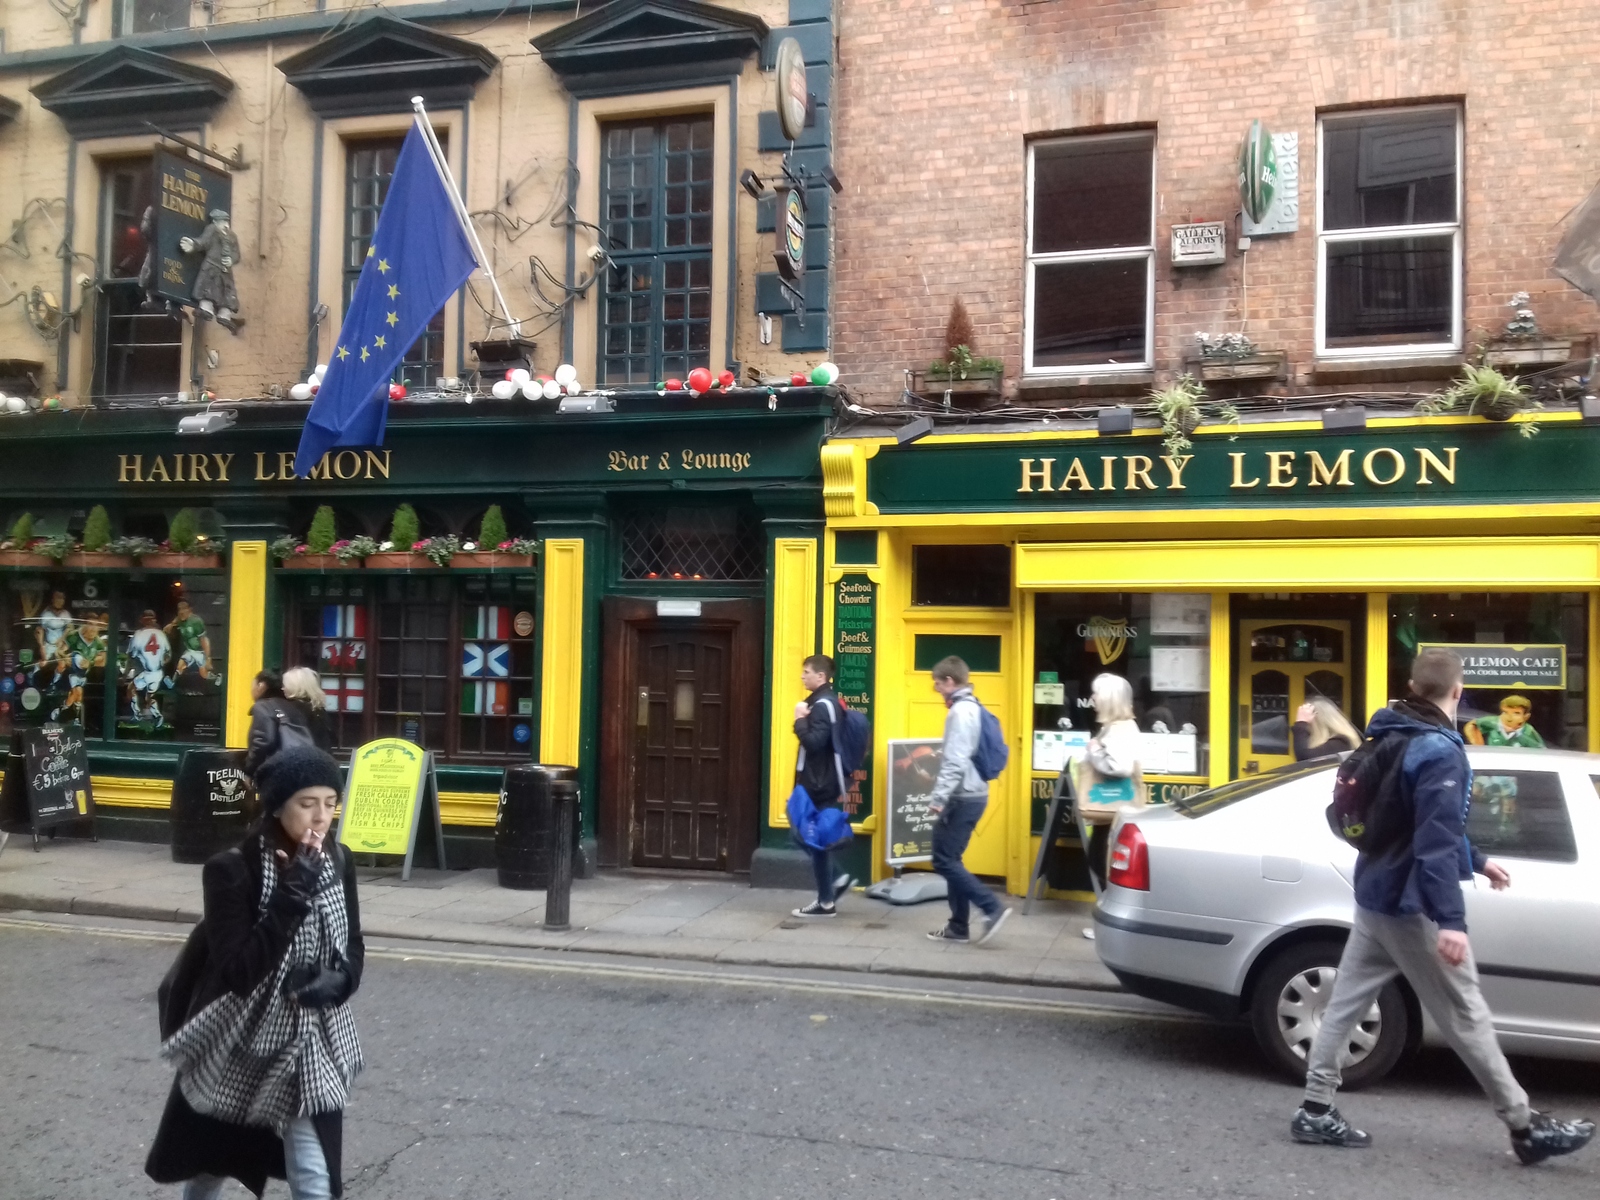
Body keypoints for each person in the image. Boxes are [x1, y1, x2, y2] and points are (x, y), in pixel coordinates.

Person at [1291, 648, 1593, 1164]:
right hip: (1411, 907)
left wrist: (1477, 859)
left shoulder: (1389, 732)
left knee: (1344, 1003)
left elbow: (1421, 826)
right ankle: (1524, 1126)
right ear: (1459, 693)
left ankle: (1316, 1110)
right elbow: (1432, 841)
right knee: (1466, 1013)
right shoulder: (1438, 752)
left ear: (1412, 685)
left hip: (1375, 895)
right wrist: (1450, 921)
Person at [146, 744, 364, 1198]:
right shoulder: (231, 869)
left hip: (310, 1038)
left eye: (330, 802)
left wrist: (339, 983)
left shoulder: (339, 860)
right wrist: (294, 891)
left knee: (315, 1175)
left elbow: (354, 945)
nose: (321, 816)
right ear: (278, 806)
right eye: (307, 804)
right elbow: (240, 971)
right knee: (211, 1164)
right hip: (240, 1038)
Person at [925, 656, 1011, 945]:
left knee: (943, 859)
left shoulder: (961, 712)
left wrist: (938, 798)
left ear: (950, 681)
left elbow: (955, 761)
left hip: (962, 797)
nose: (936, 688)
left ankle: (991, 907)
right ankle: (958, 927)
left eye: (937, 683)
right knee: (951, 859)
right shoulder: (973, 707)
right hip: (971, 795)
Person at [1075, 673, 1145, 938]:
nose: (1091, 698)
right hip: (1114, 810)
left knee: (1104, 862)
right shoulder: (1117, 726)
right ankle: (1111, 921)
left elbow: (1120, 767)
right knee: (1101, 861)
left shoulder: (1120, 728)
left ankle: (1113, 924)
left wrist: (1094, 751)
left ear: (1108, 699)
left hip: (1117, 809)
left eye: (1096, 694)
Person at [790, 654, 855, 917]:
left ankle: (834, 884)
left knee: (802, 833)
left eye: (807, 672)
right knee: (814, 835)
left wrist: (799, 720)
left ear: (821, 676)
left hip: (818, 782)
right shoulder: (828, 701)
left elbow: (815, 743)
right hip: (824, 780)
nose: (802, 676)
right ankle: (827, 899)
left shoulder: (821, 705)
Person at [1292, 696, 1362, 761]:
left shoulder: (1340, 743)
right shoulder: (1338, 741)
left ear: (1318, 722)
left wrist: (1301, 724)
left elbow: (1305, 760)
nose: (1306, 729)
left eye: (1308, 725)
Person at [1463, 694, 1545, 748]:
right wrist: (1478, 745)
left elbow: (1541, 751)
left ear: (1526, 717)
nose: (1509, 717)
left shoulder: (1528, 731)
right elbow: (1472, 724)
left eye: (1516, 713)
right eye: (1505, 712)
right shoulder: (1493, 723)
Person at [283, 667, 334, 752]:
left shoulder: (291, 709)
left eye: (285, 686)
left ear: (294, 687)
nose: (283, 688)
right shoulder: (317, 708)